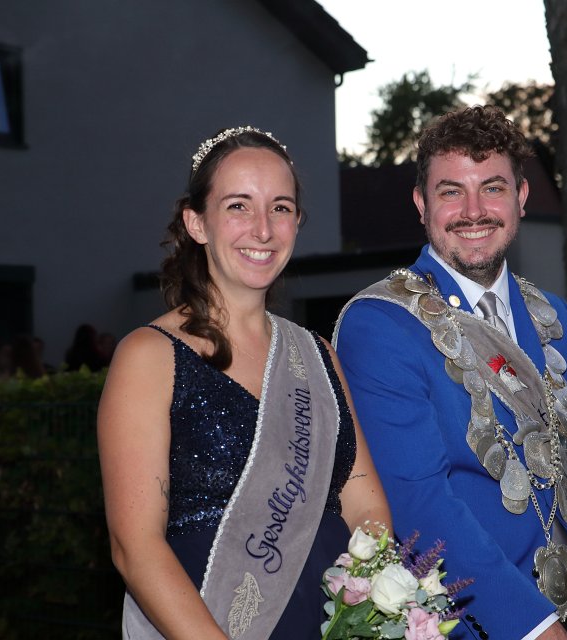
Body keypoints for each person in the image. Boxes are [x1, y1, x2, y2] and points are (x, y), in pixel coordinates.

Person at [334, 106, 567, 640]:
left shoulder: (551, 316)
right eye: (451, 191)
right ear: (422, 205)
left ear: (521, 197)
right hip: (466, 605)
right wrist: (533, 627)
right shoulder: (381, 324)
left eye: (493, 188)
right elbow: (419, 503)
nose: (473, 211)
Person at [97, 127, 391, 639]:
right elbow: (135, 547)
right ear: (196, 222)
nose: (263, 229)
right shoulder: (148, 357)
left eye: (281, 208)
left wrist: (370, 615)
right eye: (238, 206)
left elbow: (364, 502)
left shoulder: (318, 356)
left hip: (331, 625)